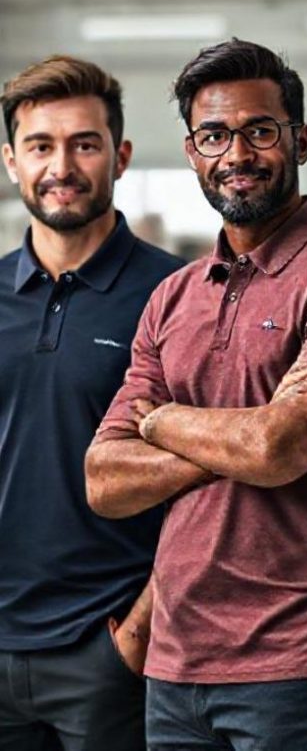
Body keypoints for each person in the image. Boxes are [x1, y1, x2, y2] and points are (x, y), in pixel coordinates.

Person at [84, 38, 307, 751]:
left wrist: (160, 422)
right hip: (171, 664)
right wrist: (239, 442)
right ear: (193, 152)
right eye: (214, 135)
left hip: (286, 667)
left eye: (260, 131)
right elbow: (103, 479)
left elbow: (282, 447)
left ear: (301, 140)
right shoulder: (172, 297)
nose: (237, 154)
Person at [0, 55, 183, 751]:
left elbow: (212, 486)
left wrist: (134, 636)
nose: (62, 166)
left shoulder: (177, 297)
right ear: (12, 161)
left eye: (84, 143)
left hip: (106, 652)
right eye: (41, 146)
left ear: (121, 155)